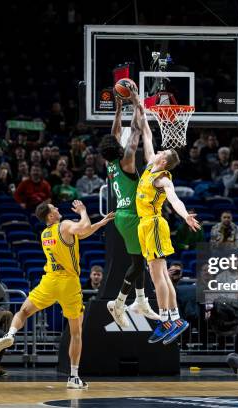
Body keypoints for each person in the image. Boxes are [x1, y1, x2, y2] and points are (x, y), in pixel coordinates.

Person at [0, 201, 114, 389]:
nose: (57, 209)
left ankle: (11, 334)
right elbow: (83, 227)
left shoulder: (45, 234)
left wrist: (101, 223)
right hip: (69, 283)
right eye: (54, 208)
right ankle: (73, 377)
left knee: (23, 311)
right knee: (76, 332)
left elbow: (82, 233)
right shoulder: (63, 224)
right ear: (50, 216)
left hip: (49, 281)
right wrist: (83, 211)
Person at [136, 99, 201, 345]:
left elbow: (174, 199)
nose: (158, 152)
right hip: (147, 225)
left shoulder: (162, 178)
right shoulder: (152, 166)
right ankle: (175, 319)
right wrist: (141, 112)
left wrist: (185, 216)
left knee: (157, 277)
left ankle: (166, 321)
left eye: (162, 153)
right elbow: (147, 135)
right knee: (161, 273)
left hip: (153, 223)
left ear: (163, 161)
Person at [99, 92, 160, 328]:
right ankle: (119, 302)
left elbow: (115, 133)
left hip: (123, 217)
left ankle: (141, 300)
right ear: (118, 148)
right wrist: (136, 103)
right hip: (132, 217)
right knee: (138, 263)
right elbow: (135, 130)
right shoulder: (126, 160)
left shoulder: (111, 163)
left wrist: (117, 110)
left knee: (139, 260)